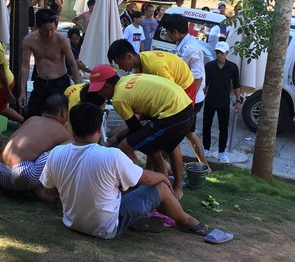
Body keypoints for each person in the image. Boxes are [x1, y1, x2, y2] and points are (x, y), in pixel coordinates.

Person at [40, 103, 230, 240]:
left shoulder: (57, 153)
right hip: (105, 228)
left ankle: (147, 216)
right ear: (99, 128)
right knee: (160, 188)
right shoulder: (111, 155)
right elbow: (145, 178)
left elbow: (49, 191)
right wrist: (164, 178)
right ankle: (186, 222)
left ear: (72, 128)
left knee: (123, 187)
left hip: (72, 222)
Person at [89, 65, 195, 200]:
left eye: (98, 90)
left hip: (173, 114)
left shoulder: (119, 98)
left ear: (106, 86)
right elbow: (137, 123)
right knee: (152, 149)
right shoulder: (129, 79)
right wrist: (118, 135)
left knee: (126, 146)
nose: (99, 94)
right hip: (185, 106)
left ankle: (140, 183)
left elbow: (134, 128)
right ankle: (164, 189)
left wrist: (118, 139)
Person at [107, 39, 209, 167]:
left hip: (183, 91)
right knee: (154, 137)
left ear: (129, 56)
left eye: (119, 63)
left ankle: (196, 169)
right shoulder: (140, 62)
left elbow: (170, 92)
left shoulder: (154, 68)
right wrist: (118, 133)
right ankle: (153, 170)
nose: (119, 68)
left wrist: (123, 133)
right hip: (174, 92)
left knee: (171, 138)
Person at [0, 94, 71, 200]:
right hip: (24, 175)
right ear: (63, 112)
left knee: (34, 151)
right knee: (67, 148)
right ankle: (53, 193)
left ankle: (36, 190)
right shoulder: (62, 131)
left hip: (0, 171)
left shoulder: (31, 119)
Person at [18, 8, 81, 119]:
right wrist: (23, 91)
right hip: (41, 82)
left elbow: (72, 64)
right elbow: (25, 65)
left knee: (59, 117)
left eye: (52, 29)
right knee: (30, 116)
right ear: (37, 27)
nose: (50, 33)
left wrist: (77, 88)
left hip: (60, 83)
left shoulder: (61, 40)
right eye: (46, 31)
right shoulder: (29, 40)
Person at [162, 13, 206, 133]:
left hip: (190, 99)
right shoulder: (182, 43)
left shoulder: (191, 49)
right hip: (185, 96)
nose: (167, 35)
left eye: (168, 32)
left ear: (175, 31)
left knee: (175, 133)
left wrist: (188, 104)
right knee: (189, 133)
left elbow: (198, 78)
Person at [203, 42, 241, 164]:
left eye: (221, 53)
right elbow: (205, 84)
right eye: (217, 52)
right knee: (206, 126)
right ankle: (206, 148)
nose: (218, 55)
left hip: (224, 101)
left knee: (223, 128)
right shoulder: (209, 66)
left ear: (226, 53)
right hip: (210, 100)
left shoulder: (232, 67)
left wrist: (238, 100)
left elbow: (236, 84)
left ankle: (222, 152)